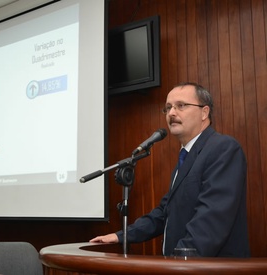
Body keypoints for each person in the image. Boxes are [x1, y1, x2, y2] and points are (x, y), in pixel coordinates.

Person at [90, 82, 250, 257]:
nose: (172, 113)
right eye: (168, 108)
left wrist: (177, 262)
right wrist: (121, 236)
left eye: (181, 106)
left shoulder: (223, 148)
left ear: (204, 112)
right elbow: (164, 213)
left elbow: (212, 221)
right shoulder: (187, 156)